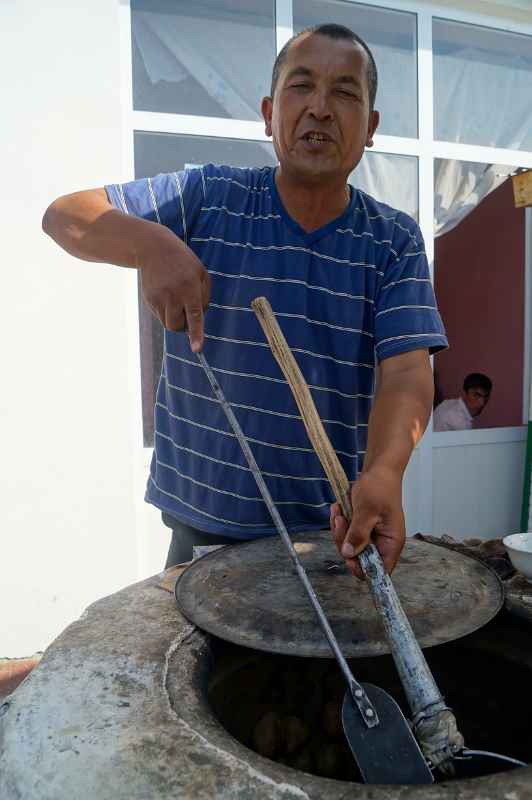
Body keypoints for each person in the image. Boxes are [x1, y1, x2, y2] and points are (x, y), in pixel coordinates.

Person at [42, 23, 447, 577]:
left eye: (346, 93)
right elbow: (65, 215)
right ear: (267, 112)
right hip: (200, 533)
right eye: (300, 87)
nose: (321, 109)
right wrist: (149, 242)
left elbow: (406, 373)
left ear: (371, 126)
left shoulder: (392, 241)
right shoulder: (206, 198)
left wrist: (385, 471)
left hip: (330, 536)